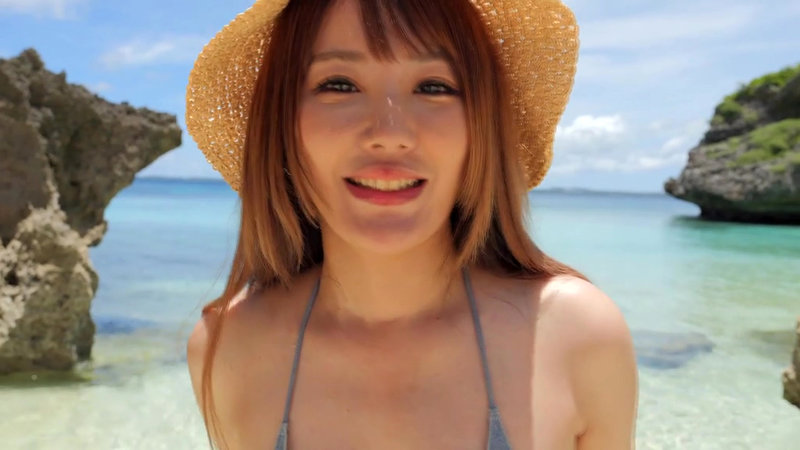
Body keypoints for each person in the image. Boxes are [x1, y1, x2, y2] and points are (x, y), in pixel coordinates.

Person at [185, 0, 639, 448]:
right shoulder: (227, 348)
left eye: (434, 87)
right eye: (339, 85)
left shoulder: (577, 335)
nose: (390, 133)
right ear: (282, 123)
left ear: (481, 126)